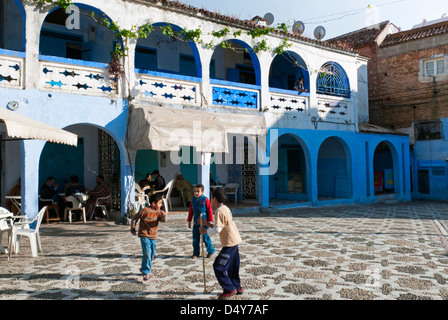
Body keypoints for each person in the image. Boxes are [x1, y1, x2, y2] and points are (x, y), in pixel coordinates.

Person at [199, 187, 243, 300]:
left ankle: (229, 289)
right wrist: (206, 223)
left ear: (214, 199)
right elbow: (220, 225)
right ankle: (237, 286)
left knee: (219, 266)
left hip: (229, 243)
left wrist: (205, 231)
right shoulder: (225, 208)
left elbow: (218, 229)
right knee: (233, 266)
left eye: (211, 198)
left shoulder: (218, 211)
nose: (211, 200)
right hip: (235, 241)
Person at [130, 193, 167, 282]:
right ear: (153, 203)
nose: (161, 205)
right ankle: (146, 272)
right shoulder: (144, 211)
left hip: (153, 235)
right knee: (147, 252)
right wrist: (133, 228)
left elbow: (163, 221)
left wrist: (163, 215)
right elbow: (134, 218)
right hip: (144, 234)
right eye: (160, 203)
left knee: (152, 254)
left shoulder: (158, 212)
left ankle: (143, 267)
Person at [187, 184, 215, 259]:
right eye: (195, 191)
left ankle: (210, 251)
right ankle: (196, 253)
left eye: (198, 191)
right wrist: (189, 220)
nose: (196, 193)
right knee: (195, 239)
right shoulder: (193, 200)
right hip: (196, 223)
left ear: (202, 192)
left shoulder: (205, 200)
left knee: (205, 238)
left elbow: (209, 210)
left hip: (204, 223)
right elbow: (191, 211)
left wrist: (210, 221)